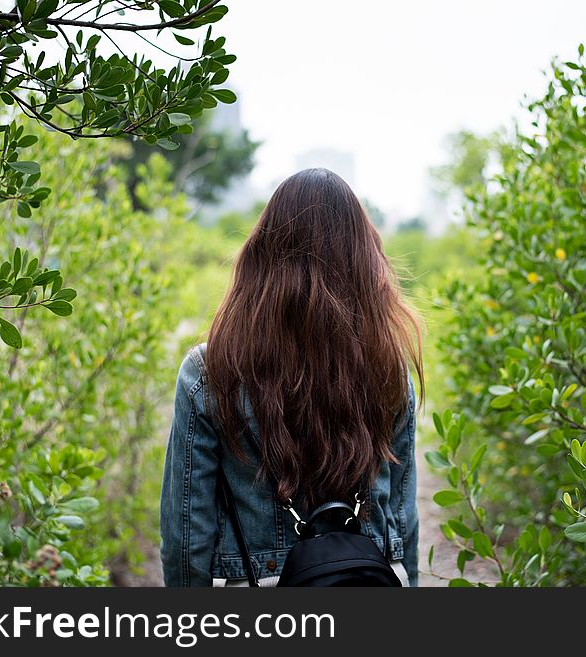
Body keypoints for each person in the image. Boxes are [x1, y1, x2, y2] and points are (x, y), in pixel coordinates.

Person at [159, 167, 424, 587]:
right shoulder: (387, 366)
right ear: (363, 260)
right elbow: (401, 517)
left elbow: (187, 536)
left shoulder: (213, 371)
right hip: (371, 579)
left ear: (261, 257)